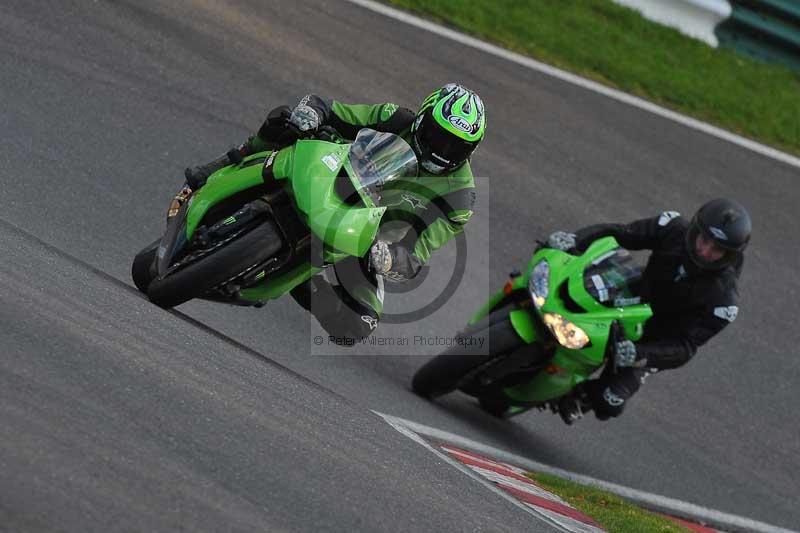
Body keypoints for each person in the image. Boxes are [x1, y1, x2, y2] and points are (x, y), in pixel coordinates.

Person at [178, 84, 486, 341]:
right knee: (284, 120)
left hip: (363, 237)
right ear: (422, 119)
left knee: (356, 324)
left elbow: (417, 252)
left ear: (470, 151)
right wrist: (312, 113)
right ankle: (217, 168)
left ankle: (302, 280)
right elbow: (333, 109)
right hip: (332, 177)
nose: (440, 150)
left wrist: (390, 258)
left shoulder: (459, 197)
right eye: (436, 136)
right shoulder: (395, 118)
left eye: (454, 147)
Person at [546, 199, 751, 424]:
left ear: (729, 255)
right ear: (696, 230)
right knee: (569, 293)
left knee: (610, 402)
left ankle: (578, 396)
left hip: (655, 338)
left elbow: (685, 347)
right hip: (635, 294)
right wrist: (575, 239)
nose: (704, 251)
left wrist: (640, 353)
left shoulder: (723, 302)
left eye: (717, 250)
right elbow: (620, 233)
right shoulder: (672, 228)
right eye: (704, 240)